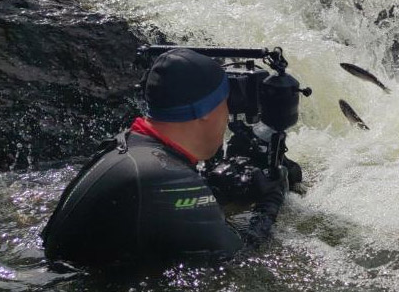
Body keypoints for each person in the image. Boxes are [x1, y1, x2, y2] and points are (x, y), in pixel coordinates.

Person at [41, 48, 287, 267]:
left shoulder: (130, 148)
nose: (227, 116)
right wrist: (270, 202)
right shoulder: (163, 177)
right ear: (205, 112)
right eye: (226, 104)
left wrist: (217, 193)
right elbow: (239, 257)